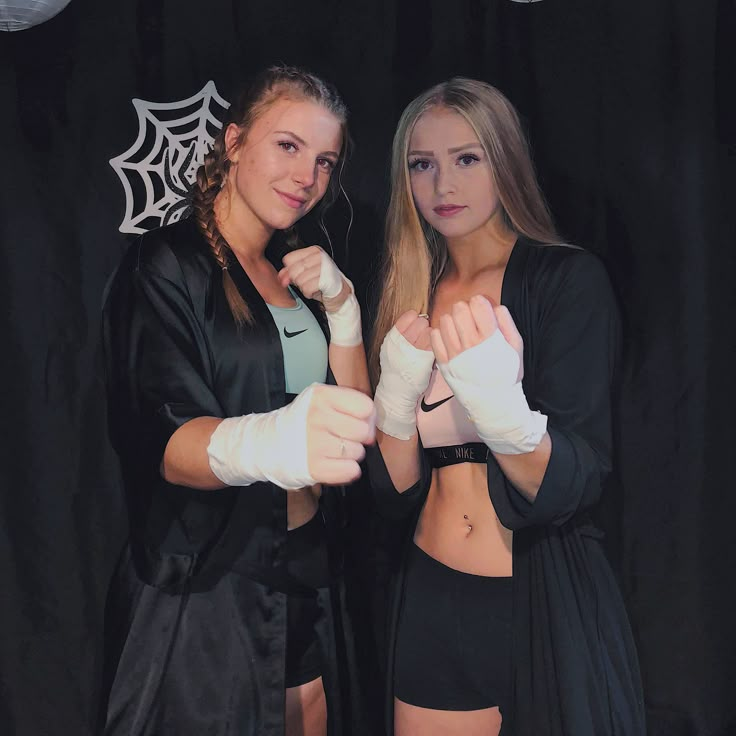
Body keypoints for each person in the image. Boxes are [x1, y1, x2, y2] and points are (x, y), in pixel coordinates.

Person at [98, 65, 375, 736]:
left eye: (324, 161)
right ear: (234, 142)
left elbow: (353, 420)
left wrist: (344, 312)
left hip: (310, 567)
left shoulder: (300, 269)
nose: (307, 176)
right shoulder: (166, 264)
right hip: (209, 587)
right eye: (288, 146)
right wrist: (274, 440)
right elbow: (168, 442)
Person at [366, 78, 646, 736]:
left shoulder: (566, 280)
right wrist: (397, 404)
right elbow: (393, 489)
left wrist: (502, 410)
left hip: (534, 598)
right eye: (422, 164)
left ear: (506, 160)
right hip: (433, 600)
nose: (442, 185)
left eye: (467, 158)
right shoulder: (409, 288)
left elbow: (576, 479)